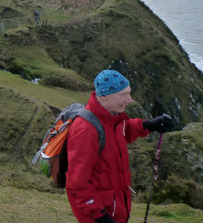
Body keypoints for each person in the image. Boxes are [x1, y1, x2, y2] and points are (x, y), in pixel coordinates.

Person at [65, 70, 174, 223]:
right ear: (104, 96)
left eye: (128, 93)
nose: (129, 100)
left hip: (115, 206)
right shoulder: (85, 130)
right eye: (123, 95)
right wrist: (100, 217)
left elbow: (123, 131)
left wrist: (149, 125)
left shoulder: (112, 117)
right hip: (99, 213)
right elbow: (77, 184)